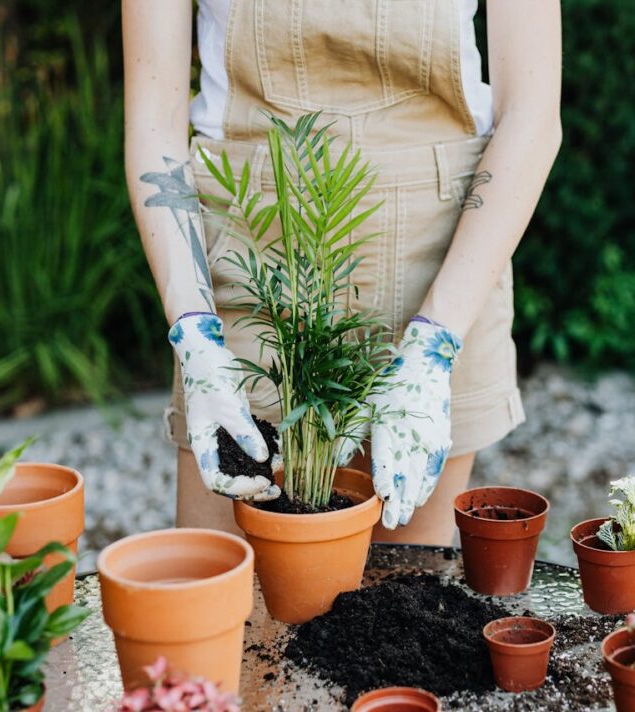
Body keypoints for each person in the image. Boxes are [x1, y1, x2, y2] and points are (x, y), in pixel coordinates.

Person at [123, 0, 561, 544]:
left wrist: (434, 342)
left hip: (441, 260)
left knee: (404, 606)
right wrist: (193, 332)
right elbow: (153, 125)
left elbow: (534, 115)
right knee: (227, 602)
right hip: (251, 250)